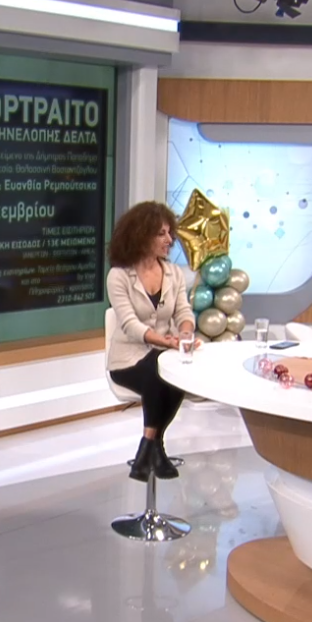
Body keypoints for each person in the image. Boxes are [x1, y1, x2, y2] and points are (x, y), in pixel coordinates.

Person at [107, 201, 197, 483]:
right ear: (141, 235)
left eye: (170, 233)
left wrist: (185, 333)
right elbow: (130, 324)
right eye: (161, 234)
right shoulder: (119, 276)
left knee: (175, 372)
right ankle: (155, 449)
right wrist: (164, 341)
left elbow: (184, 312)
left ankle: (149, 447)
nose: (170, 240)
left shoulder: (174, 273)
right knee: (161, 372)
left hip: (162, 355)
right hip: (127, 361)